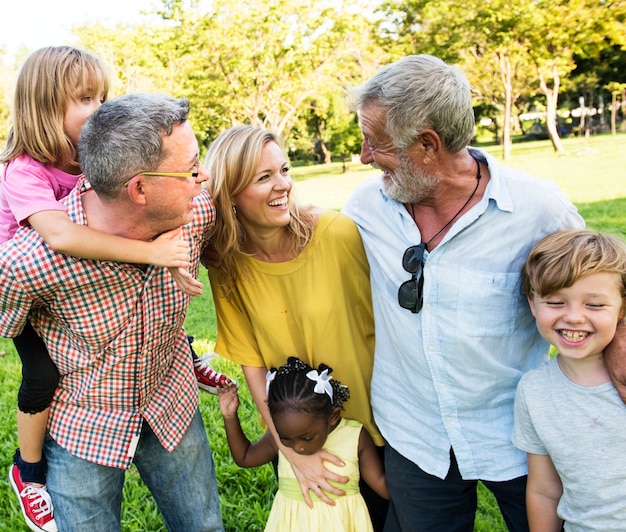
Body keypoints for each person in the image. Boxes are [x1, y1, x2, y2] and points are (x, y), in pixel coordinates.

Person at [341, 54, 585, 531]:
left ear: (427, 145)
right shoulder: (364, 208)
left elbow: (603, 296)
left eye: (376, 143)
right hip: (414, 433)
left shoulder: (538, 210)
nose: (365, 157)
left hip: (517, 432)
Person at [0, 46, 208, 532]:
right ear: (44, 107)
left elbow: (151, 190)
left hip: (164, 395)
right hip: (24, 294)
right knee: (39, 374)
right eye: (85, 99)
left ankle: (184, 351)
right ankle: (28, 471)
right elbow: (61, 235)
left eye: (103, 97)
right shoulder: (24, 170)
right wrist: (153, 253)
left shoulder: (87, 159)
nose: (100, 110)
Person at [204, 125, 388, 529]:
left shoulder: (337, 234)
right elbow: (252, 365)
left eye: (284, 170)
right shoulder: (228, 266)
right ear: (230, 194)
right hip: (300, 434)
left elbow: (386, 325)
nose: (283, 185)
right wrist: (291, 453)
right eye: (264, 177)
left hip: (375, 430)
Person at [512, 229, 626, 531]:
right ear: (533, 304)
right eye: (556, 302)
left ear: (622, 307)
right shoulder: (534, 391)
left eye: (595, 305)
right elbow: (544, 490)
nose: (574, 317)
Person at [218, 356, 389, 531]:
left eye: (307, 438)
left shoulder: (355, 437)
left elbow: (383, 485)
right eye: (285, 438)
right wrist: (230, 418)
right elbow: (244, 457)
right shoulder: (278, 439)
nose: (297, 447)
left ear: (332, 417)